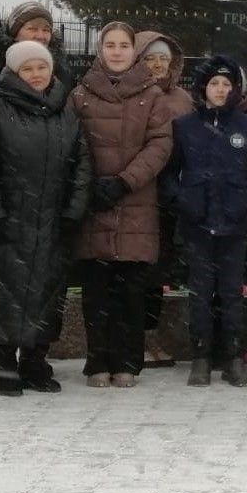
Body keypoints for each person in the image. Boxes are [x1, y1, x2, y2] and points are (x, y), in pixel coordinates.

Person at [0, 40, 93, 396]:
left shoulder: (65, 111)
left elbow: (82, 165)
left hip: (52, 221)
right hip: (7, 221)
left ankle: (35, 362)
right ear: (15, 73)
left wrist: (73, 210)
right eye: (28, 69)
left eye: (42, 67)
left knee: (46, 295)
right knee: (3, 294)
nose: (36, 75)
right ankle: (4, 368)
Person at [70, 21, 175, 388]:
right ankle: (97, 361)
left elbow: (160, 144)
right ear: (101, 50)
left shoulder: (152, 95)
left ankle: (128, 362)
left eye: (123, 45)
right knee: (97, 291)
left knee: (131, 291)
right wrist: (91, 182)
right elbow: (72, 142)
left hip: (135, 203)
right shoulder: (81, 93)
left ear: (134, 52)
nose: (117, 51)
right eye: (110, 45)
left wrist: (124, 182)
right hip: (94, 201)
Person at [164, 56, 247, 389]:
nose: (220, 90)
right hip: (197, 223)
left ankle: (233, 357)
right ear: (204, 87)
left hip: (234, 223)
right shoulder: (185, 126)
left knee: (231, 294)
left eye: (226, 85)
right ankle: (200, 357)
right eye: (214, 84)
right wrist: (182, 200)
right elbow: (169, 172)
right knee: (200, 293)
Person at [134, 30, 193, 369]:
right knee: (135, 271)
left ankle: (150, 335)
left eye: (163, 59)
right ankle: (133, 338)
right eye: (150, 58)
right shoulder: (130, 94)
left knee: (157, 271)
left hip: (168, 197)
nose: (157, 65)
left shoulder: (183, 99)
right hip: (137, 192)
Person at [0, 1, 68, 111]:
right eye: (32, 28)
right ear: (15, 33)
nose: (41, 36)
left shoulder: (60, 75)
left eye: (46, 30)